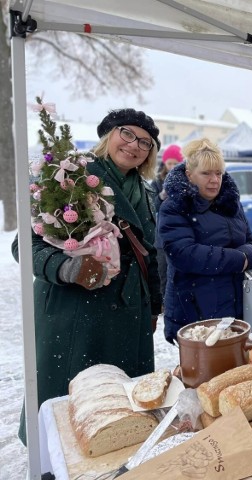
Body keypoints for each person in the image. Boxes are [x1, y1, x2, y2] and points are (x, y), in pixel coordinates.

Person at [13, 108, 163, 444]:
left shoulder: (145, 190)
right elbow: (24, 244)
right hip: (75, 314)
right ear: (108, 134)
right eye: (127, 133)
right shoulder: (70, 175)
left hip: (129, 312)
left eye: (145, 142)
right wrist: (68, 267)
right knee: (69, 419)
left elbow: (148, 253)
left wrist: (153, 304)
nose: (134, 145)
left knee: (119, 416)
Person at [158, 138, 252, 343]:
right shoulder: (175, 206)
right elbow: (184, 254)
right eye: (206, 173)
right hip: (195, 309)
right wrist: (239, 259)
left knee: (237, 371)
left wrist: (248, 256)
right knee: (204, 372)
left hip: (235, 304)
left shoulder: (231, 204)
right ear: (189, 175)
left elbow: (251, 243)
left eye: (218, 173)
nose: (214, 180)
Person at [150, 144, 184, 300]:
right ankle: (164, 301)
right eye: (169, 163)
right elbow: (151, 207)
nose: (172, 167)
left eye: (175, 163)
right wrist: (161, 197)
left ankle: (177, 298)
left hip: (180, 234)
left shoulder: (186, 180)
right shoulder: (157, 183)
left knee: (178, 270)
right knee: (161, 272)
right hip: (161, 237)